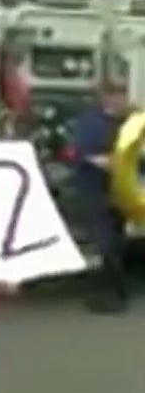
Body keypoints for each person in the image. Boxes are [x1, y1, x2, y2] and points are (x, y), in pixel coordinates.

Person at [72, 80, 133, 314]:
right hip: (95, 189)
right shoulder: (92, 123)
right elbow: (88, 155)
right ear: (105, 97)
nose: (120, 99)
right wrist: (119, 163)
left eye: (123, 94)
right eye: (115, 94)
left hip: (121, 190)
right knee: (105, 242)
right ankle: (114, 294)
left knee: (115, 242)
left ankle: (116, 296)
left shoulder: (130, 120)